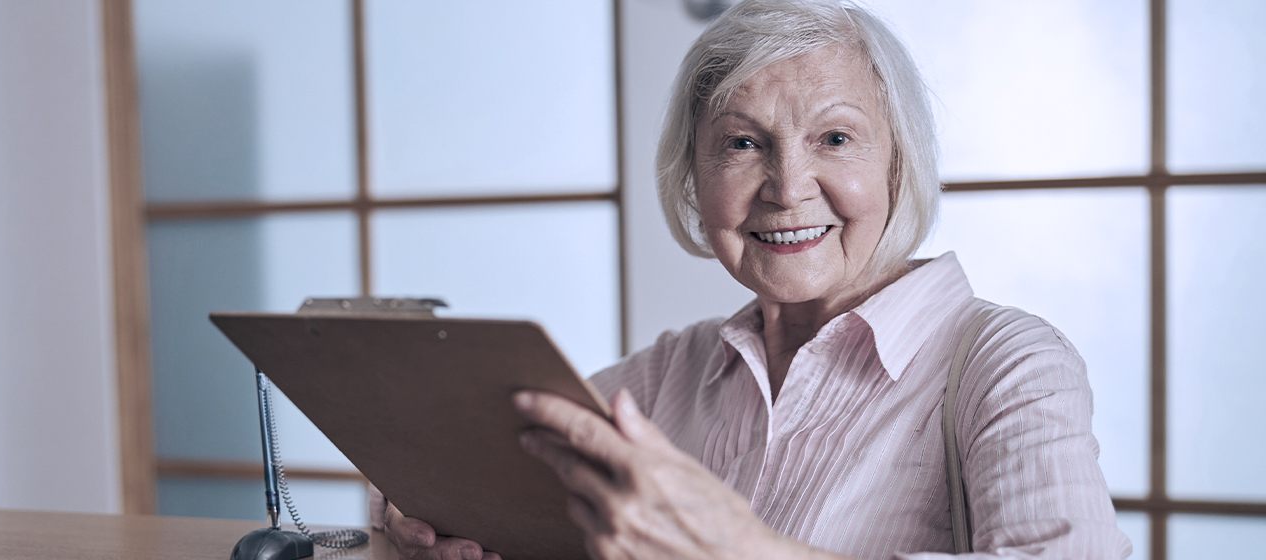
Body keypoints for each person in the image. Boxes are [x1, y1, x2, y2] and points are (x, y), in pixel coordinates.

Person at [380, 0, 1132, 558]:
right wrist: (417, 513)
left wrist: (733, 546)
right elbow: (475, 469)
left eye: (835, 138)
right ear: (693, 179)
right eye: (743, 144)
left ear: (899, 163)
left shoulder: (1010, 361)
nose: (787, 185)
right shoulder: (672, 371)